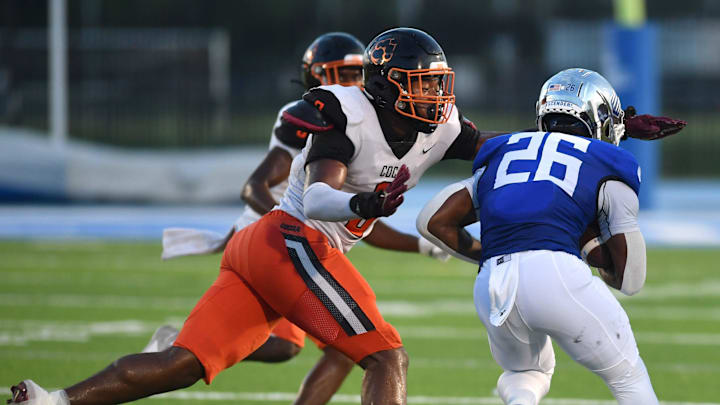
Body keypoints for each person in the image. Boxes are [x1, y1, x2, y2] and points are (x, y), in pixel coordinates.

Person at [7, 29, 684, 405]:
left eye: (439, 84)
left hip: (268, 249)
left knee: (188, 361)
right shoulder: (344, 111)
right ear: (388, 85)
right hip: (290, 236)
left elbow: (519, 154)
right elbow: (326, 194)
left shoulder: (442, 124)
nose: (437, 96)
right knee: (386, 354)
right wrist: (365, 203)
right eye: (423, 84)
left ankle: (51, 400)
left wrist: (612, 127)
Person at [152, 31, 449, 405]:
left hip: (302, 241)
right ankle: (179, 349)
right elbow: (258, 187)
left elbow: (358, 220)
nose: (351, 83)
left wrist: (419, 244)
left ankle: (171, 355)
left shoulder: (366, 120)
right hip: (284, 242)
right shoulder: (322, 115)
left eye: (356, 73)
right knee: (362, 350)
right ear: (316, 76)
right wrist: (280, 225)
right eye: (340, 73)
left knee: (338, 349)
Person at [415, 68, 680, 404]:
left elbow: (432, 221)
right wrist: (586, 242)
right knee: (628, 376)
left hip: (493, 282)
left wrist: (491, 252)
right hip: (556, 275)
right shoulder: (610, 161)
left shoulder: (505, 150)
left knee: (525, 374)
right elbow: (631, 279)